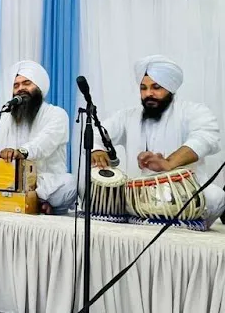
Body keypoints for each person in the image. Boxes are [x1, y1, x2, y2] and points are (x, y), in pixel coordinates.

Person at [92, 55, 225, 227]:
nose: (148, 93)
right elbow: (98, 132)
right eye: (143, 88)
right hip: (137, 195)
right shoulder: (127, 116)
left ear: (170, 88)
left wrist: (169, 163)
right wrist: (97, 149)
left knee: (215, 197)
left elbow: (206, 137)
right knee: (85, 185)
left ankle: (190, 228)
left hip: (182, 194)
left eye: (156, 87)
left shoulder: (193, 111)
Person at [0, 61, 76, 214]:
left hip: (42, 183)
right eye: (16, 86)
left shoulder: (56, 114)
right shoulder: (3, 119)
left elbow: (43, 143)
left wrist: (20, 152)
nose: (20, 89)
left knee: (69, 184)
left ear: (39, 87)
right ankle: (33, 202)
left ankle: (34, 199)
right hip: (8, 180)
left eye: (27, 83)